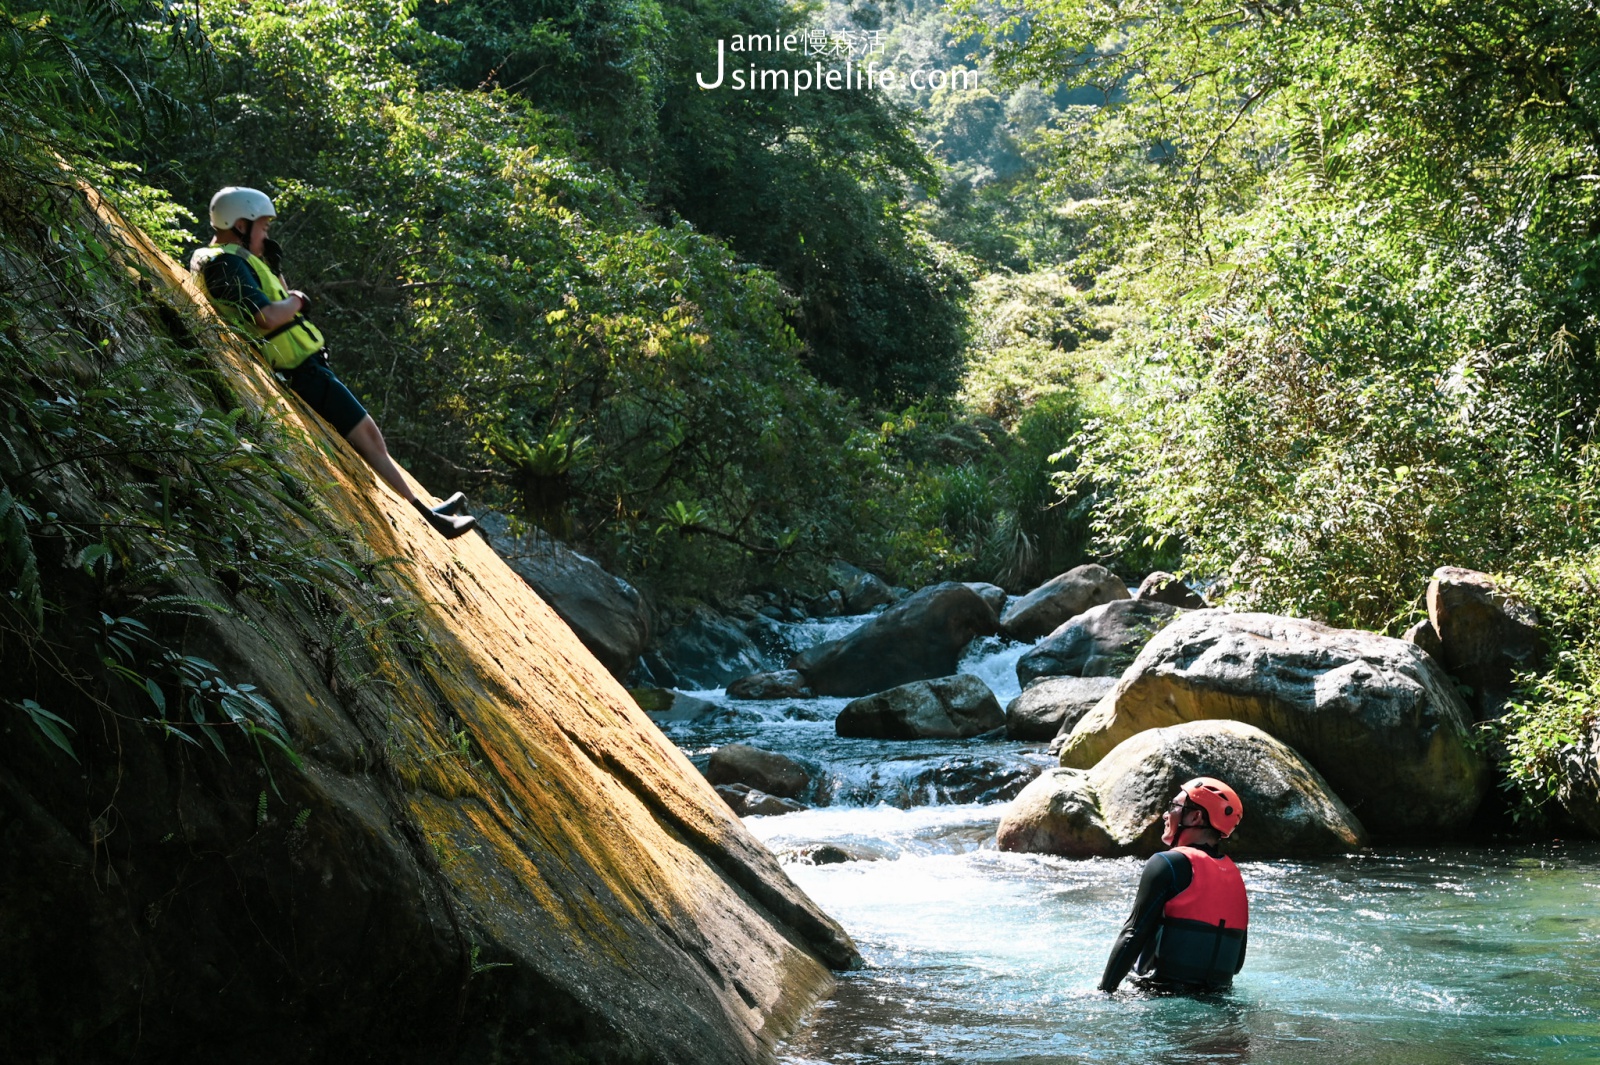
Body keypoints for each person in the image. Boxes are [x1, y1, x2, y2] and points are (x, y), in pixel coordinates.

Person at [189, 186, 476, 539]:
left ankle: (426, 509)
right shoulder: (226, 263)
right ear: (240, 225)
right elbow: (265, 316)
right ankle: (428, 517)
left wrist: (275, 271)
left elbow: (268, 300)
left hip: (303, 366)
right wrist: (299, 301)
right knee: (368, 434)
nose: (266, 235)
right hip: (299, 371)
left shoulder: (232, 259)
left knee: (367, 435)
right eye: (262, 227)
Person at [1098, 776, 1249, 993]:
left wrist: (1105, 992)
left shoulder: (1168, 863)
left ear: (1196, 817)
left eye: (1174, 806)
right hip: (1219, 1003)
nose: (1165, 815)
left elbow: (1133, 934)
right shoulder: (1235, 877)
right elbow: (1237, 964)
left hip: (1159, 997)